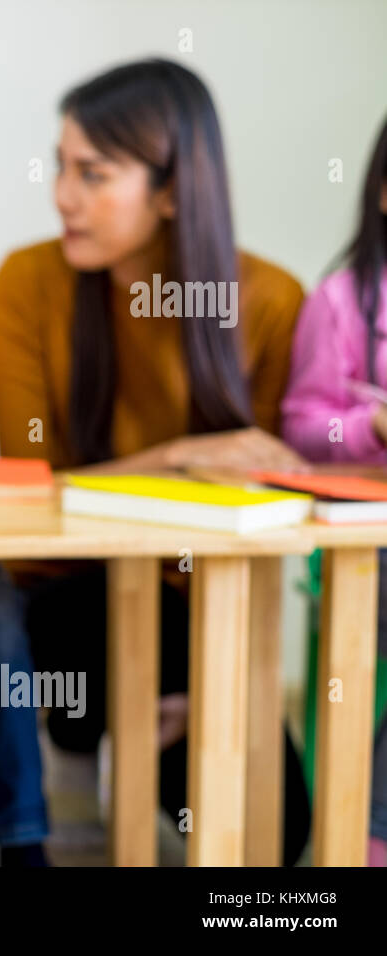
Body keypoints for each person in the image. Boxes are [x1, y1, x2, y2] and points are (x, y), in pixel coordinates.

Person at [0, 58, 311, 865]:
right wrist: (179, 457)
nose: (64, 195)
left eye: (93, 174)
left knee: (281, 835)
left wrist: (216, 682)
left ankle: (127, 725)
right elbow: (27, 493)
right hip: (64, 590)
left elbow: (268, 516)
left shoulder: (269, 300)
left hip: (197, 604)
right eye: (62, 168)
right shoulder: (28, 282)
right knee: (88, 622)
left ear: (172, 189)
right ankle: (79, 736)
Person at [281, 109, 387, 866]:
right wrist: (372, 431)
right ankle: (368, 837)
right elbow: (302, 426)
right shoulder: (344, 302)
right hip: (364, 541)